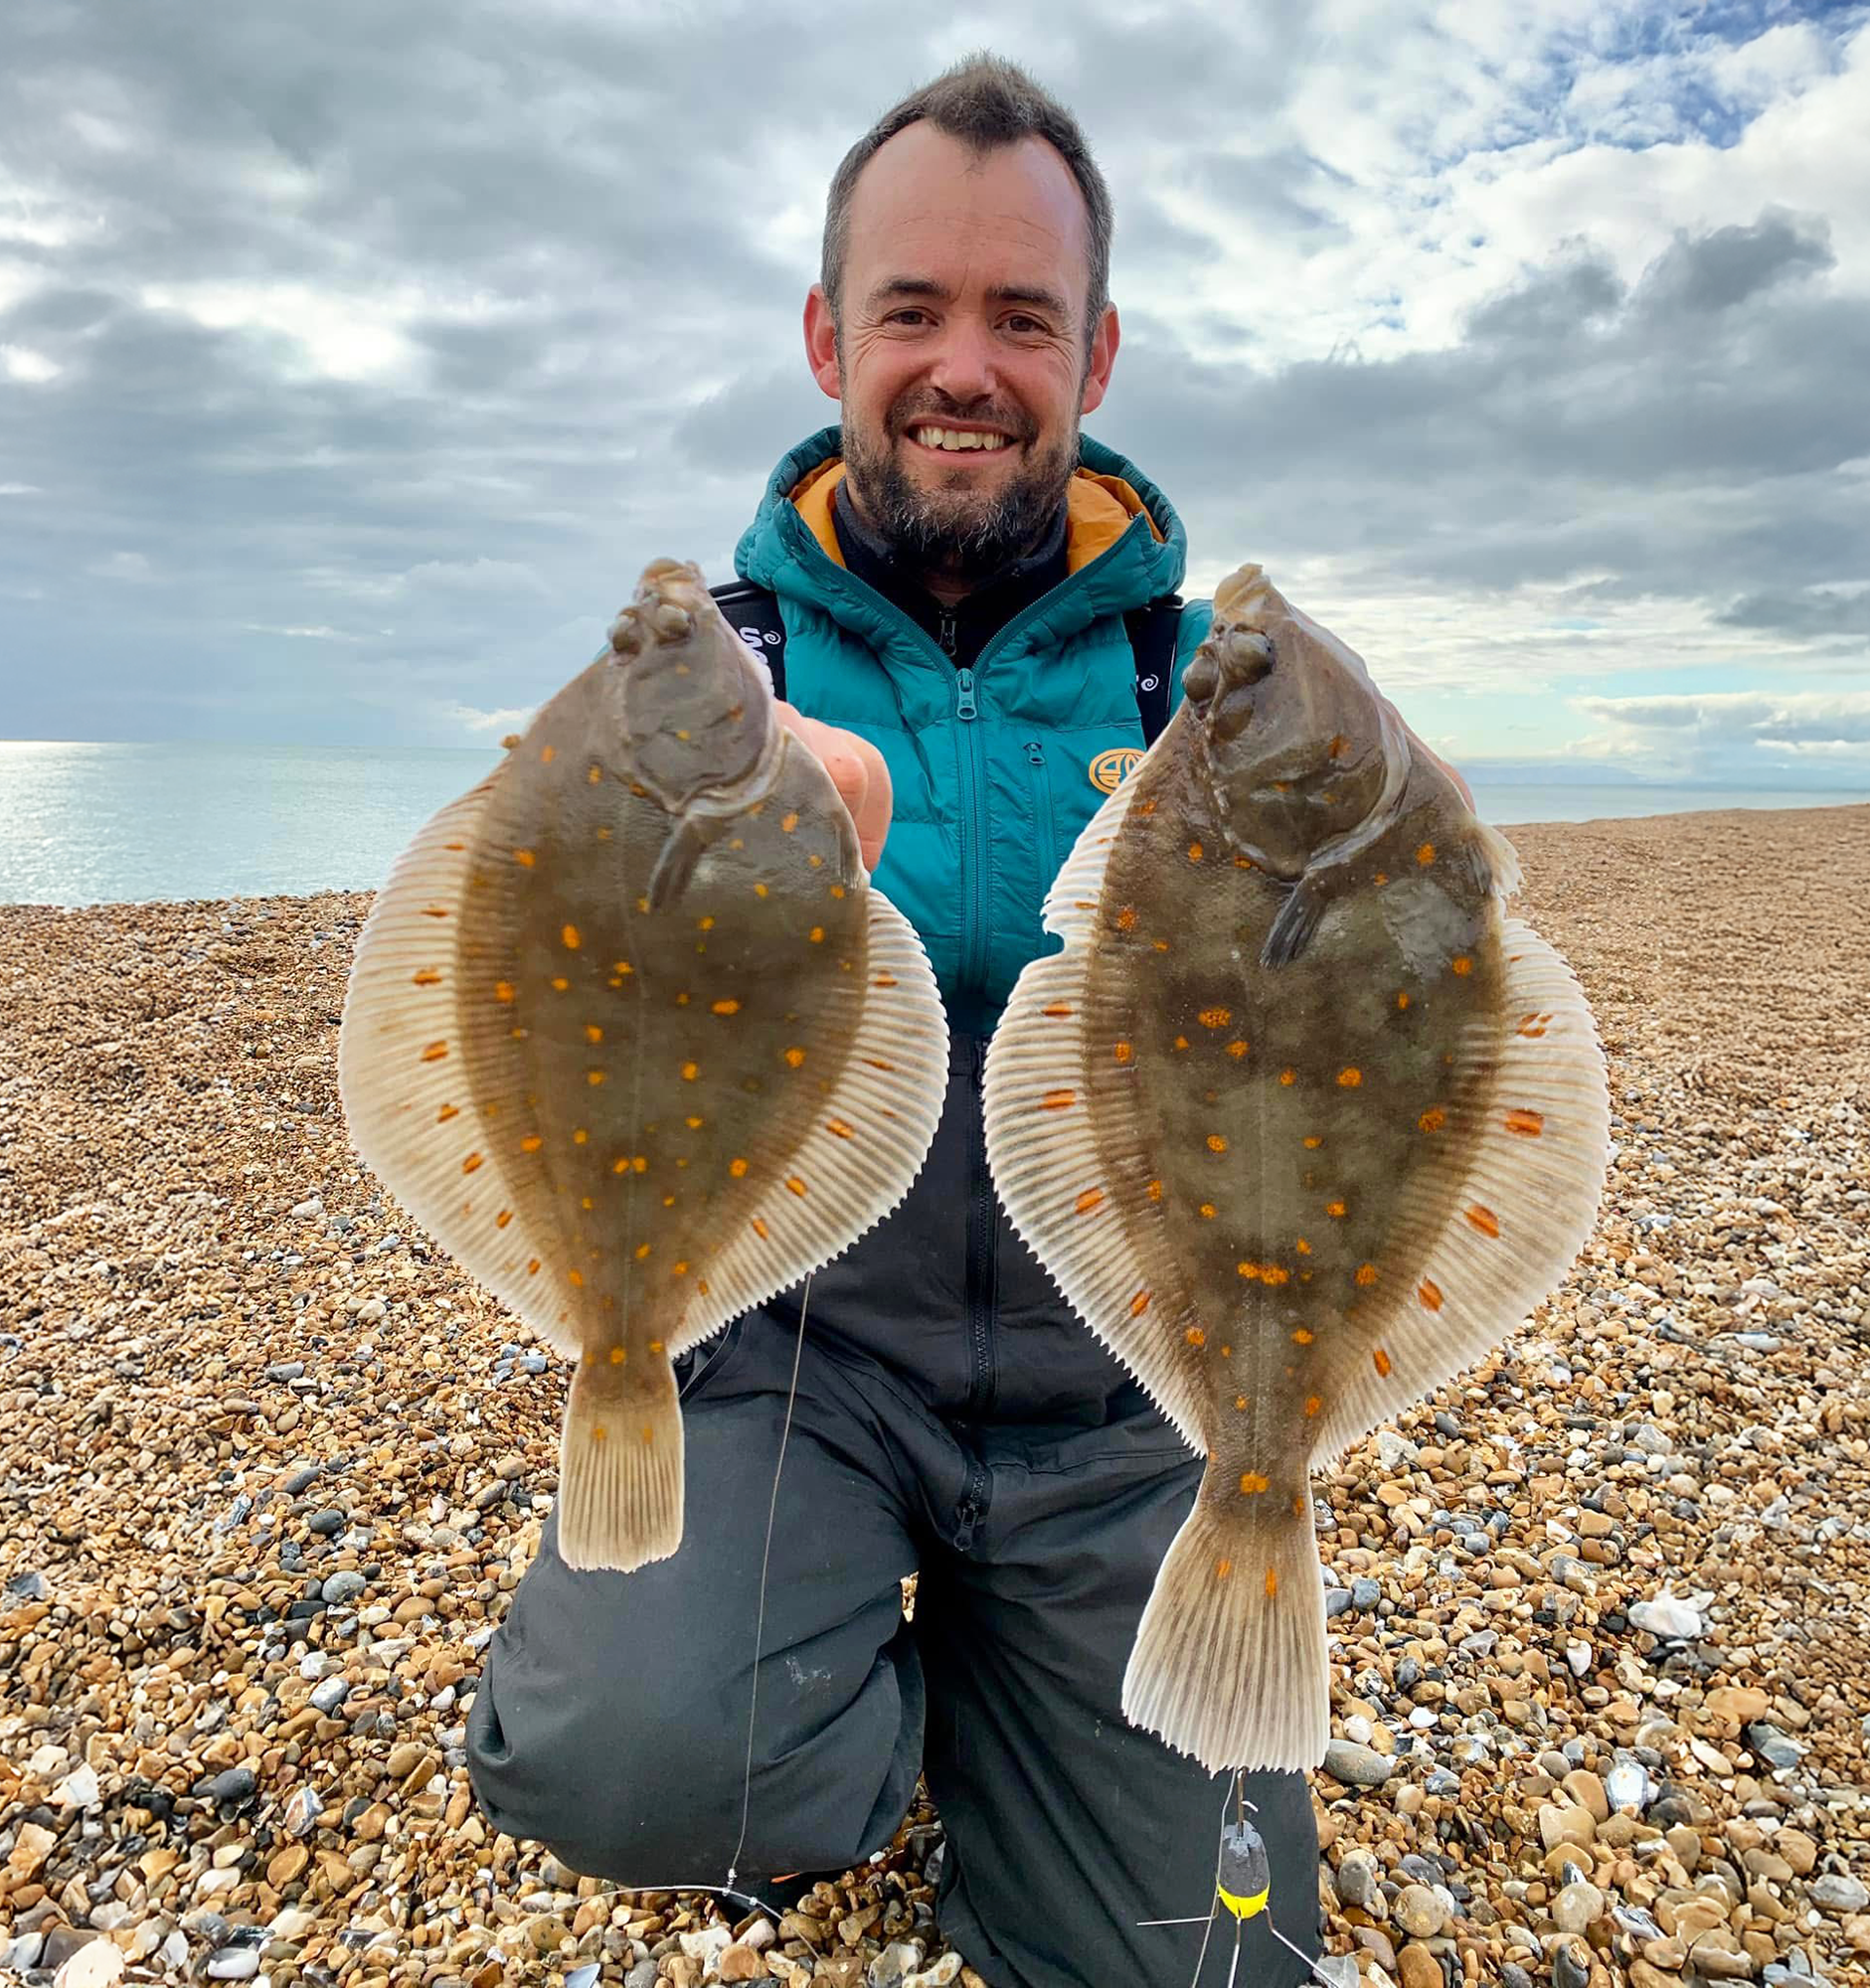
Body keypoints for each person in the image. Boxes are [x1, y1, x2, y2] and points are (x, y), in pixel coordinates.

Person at [469, 54, 1453, 1988]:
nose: (963, 366)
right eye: (913, 308)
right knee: (637, 1757)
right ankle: (861, 1696)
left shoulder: (1205, 689)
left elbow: (1409, 1032)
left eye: (1022, 316)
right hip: (802, 1355)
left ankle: (1035, 1698)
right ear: (832, 333)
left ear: (1096, 352)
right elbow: (523, 968)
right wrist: (655, 844)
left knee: (1219, 1958)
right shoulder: (715, 676)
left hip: (1124, 1384)